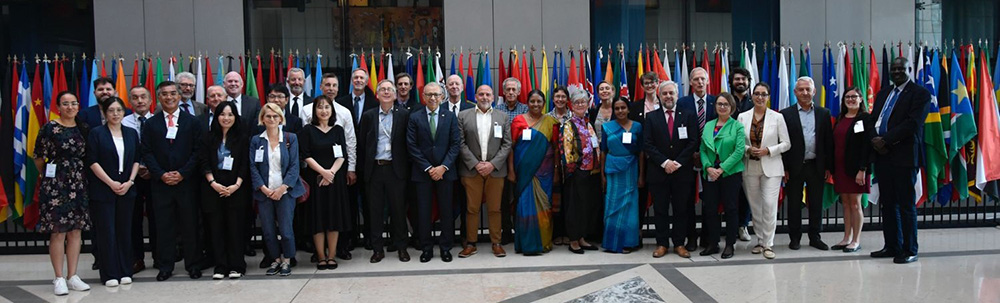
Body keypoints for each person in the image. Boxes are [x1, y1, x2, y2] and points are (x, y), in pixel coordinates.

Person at [867, 57, 928, 264]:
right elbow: (874, 119)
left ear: (909, 69)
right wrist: (873, 140)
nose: (897, 72)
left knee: (906, 205)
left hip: (904, 157)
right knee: (888, 204)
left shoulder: (920, 94)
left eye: (901, 68)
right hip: (883, 157)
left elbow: (912, 124)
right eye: (893, 69)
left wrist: (885, 140)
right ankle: (892, 245)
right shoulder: (884, 93)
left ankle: (910, 249)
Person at [142, 81, 204, 281]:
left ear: (179, 96)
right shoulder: (151, 124)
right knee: (164, 226)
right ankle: (166, 265)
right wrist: (161, 174)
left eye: (172, 94)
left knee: (190, 225)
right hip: (161, 184)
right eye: (164, 94)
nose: (169, 97)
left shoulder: (193, 122)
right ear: (158, 98)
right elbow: (147, 152)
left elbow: (198, 151)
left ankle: (193, 264)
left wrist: (182, 173)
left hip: (187, 183)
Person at [35, 91, 92, 295]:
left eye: (73, 103)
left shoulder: (84, 128)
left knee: (76, 231)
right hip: (55, 184)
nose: (70, 107)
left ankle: (73, 276)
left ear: (78, 106)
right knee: (58, 232)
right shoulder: (50, 128)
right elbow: (39, 157)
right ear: (58, 106)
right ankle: (59, 277)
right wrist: (52, 175)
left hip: (78, 184)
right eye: (65, 104)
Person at [86, 97, 140, 287]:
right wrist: (111, 183)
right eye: (111, 110)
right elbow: (92, 161)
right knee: (106, 232)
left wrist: (130, 181)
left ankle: (126, 270)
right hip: (104, 190)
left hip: (127, 189)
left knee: (125, 231)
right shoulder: (96, 133)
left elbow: (136, 159)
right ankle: (109, 273)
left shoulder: (131, 133)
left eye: (119, 110)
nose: (115, 114)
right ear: (104, 113)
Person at [406, 82, 461, 263]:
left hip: (445, 172)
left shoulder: (451, 116)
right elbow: (412, 146)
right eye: (429, 94)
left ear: (442, 97)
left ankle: (446, 248)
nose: (432, 98)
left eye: (436, 95)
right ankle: (426, 248)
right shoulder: (415, 117)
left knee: (446, 212)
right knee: (424, 212)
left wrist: (443, 167)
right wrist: (429, 168)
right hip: (423, 173)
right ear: (423, 97)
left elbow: (455, 144)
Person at [644, 81, 699, 258]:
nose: (668, 96)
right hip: (659, 172)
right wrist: (665, 162)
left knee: (681, 209)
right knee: (660, 209)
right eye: (665, 93)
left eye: (671, 93)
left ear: (677, 95)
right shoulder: (651, 117)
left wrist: (677, 163)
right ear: (659, 96)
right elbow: (648, 144)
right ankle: (662, 244)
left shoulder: (689, 115)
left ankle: (679, 243)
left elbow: (693, 142)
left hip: (682, 172)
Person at [249, 103, 306, 276]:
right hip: (264, 193)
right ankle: (275, 260)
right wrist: (264, 189)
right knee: (268, 231)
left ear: (281, 118)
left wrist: (282, 188)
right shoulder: (256, 140)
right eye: (268, 116)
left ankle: (287, 260)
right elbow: (253, 167)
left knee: (286, 230)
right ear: (262, 119)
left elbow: (295, 166)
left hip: (286, 192)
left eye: (275, 116)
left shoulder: (290, 138)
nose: (272, 119)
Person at [457, 84, 512, 258]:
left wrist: (492, 164)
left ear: (493, 97)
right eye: (481, 94)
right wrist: (475, 164)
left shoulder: (502, 117)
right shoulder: (463, 116)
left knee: (495, 209)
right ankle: (471, 243)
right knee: (472, 209)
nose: (484, 97)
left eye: (488, 94)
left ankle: (496, 242)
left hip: (495, 171)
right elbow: (460, 143)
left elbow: (507, 144)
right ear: (475, 96)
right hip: (471, 171)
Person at [358, 81, 411, 263]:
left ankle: (402, 247)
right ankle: (377, 249)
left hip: (396, 170)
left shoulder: (404, 115)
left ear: (395, 95)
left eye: (390, 90)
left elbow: (408, 144)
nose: (386, 92)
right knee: (375, 212)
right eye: (383, 90)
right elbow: (362, 145)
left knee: (398, 211)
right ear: (377, 95)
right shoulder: (368, 116)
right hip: (375, 170)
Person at [737, 83, 790, 259]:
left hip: (771, 167)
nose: (760, 97)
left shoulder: (777, 117)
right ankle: (760, 240)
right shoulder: (742, 117)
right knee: (755, 206)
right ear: (752, 96)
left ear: (768, 97)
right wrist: (747, 149)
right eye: (757, 94)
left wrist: (769, 150)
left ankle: (769, 243)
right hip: (750, 166)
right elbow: (738, 143)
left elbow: (786, 143)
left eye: (764, 94)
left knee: (769, 204)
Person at [780, 77, 833, 251]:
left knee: (816, 203)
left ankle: (815, 237)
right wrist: (785, 167)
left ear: (814, 92)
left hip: (816, 165)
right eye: (801, 90)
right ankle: (794, 238)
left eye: (807, 89)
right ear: (795, 92)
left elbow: (828, 142)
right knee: (794, 204)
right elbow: (782, 142)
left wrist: (828, 167)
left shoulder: (823, 113)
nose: (804, 93)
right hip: (794, 166)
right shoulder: (785, 114)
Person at [300, 95, 353, 268]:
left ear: (332, 110)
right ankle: (321, 256)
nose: (324, 110)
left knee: (333, 218)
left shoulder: (338, 130)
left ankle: (332, 255)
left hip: (334, 180)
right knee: (318, 219)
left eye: (327, 107)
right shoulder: (308, 130)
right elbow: (305, 155)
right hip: (315, 179)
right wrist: (323, 172)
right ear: (315, 110)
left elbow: (342, 155)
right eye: (320, 107)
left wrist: (330, 173)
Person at [199, 101, 250, 279]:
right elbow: (203, 162)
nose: (226, 118)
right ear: (216, 116)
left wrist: (236, 185)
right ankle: (220, 266)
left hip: (236, 188)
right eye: (222, 114)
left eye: (230, 114)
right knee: (216, 228)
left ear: (235, 117)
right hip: (213, 188)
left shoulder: (243, 138)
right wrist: (213, 183)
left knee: (235, 228)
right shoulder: (207, 137)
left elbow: (245, 164)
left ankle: (237, 265)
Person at [509, 90, 560, 255]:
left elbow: (556, 149)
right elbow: (511, 147)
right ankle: (527, 244)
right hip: (524, 173)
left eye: (539, 101)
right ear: (527, 103)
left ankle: (544, 243)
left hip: (545, 173)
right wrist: (511, 170)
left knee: (545, 207)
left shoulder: (550, 122)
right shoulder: (518, 121)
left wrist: (557, 171)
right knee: (524, 207)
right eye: (532, 101)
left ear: (544, 103)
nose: (536, 105)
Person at [699, 92, 745, 259]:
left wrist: (722, 168)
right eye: (719, 104)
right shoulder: (709, 125)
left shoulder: (737, 126)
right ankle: (713, 243)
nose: (722, 107)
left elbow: (739, 151)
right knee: (710, 209)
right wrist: (708, 167)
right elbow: (703, 149)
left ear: (731, 107)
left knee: (731, 209)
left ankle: (730, 244)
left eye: (725, 104)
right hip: (710, 174)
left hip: (730, 174)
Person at [676, 67, 715, 251]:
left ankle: (707, 238)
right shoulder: (682, 103)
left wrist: (705, 154)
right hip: (688, 159)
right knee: (686, 201)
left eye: (703, 79)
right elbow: (678, 131)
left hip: (712, 160)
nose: (700, 82)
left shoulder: (716, 103)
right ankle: (690, 237)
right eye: (696, 79)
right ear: (690, 82)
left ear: (708, 81)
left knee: (710, 201)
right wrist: (692, 152)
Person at [559, 89, 601, 254]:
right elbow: (565, 148)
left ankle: (582, 237)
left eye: (583, 102)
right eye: (577, 102)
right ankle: (573, 240)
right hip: (576, 172)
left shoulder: (587, 123)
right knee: (574, 207)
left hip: (591, 172)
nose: (580, 105)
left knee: (586, 207)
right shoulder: (568, 124)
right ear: (571, 105)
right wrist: (573, 169)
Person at [600, 97, 644, 253]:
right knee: (612, 206)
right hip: (613, 172)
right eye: (617, 108)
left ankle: (628, 242)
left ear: (628, 109)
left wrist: (641, 175)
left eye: (623, 108)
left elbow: (641, 153)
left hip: (631, 171)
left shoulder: (637, 127)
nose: (620, 111)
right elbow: (603, 152)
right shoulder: (607, 127)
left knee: (630, 207)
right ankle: (612, 242)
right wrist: (602, 176)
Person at [831, 86, 871, 254]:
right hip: (840, 168)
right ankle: (846, 237)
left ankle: (856, 240)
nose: (851, 100)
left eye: (854, 96)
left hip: (856, 170)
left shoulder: (864, 119)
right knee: (846, 204)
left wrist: (862, 169)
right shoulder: (841, 118)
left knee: (855, 205)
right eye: (847, 97)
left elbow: (866, 146)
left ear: (861, 99)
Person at [122, 86, 156, 273]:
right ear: (130, 101)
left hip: (154, 176)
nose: (140, 101)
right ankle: (137, 258)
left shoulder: (158, 121)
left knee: (156, 217)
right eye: (135, 98)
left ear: (151, 101)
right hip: (131, 177)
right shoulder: (124, 122)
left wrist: (152, 169)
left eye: (143, 97)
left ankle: (158, 255)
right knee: (133, 219)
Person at [495, 77, 529, 244]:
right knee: (502, 199)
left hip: (522, 160)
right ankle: (506, 230)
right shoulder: (497, 110)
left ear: (519, 91)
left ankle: (521, 230)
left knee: (521, 197)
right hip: (501, 160)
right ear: (503, 91)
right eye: (507, 89)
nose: (510, 92)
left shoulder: (526, 109)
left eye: (513, 90)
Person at [729, 68, 754, 242]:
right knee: (730, 193)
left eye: (743, 79)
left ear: (748, 82)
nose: (740, 82)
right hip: (727, 154)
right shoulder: (724, 100)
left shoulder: (754, 102)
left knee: (747, 193)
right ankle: (730, 225)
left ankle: (743, 225)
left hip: (748, 154)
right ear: (731, 82)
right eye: (737, 79)